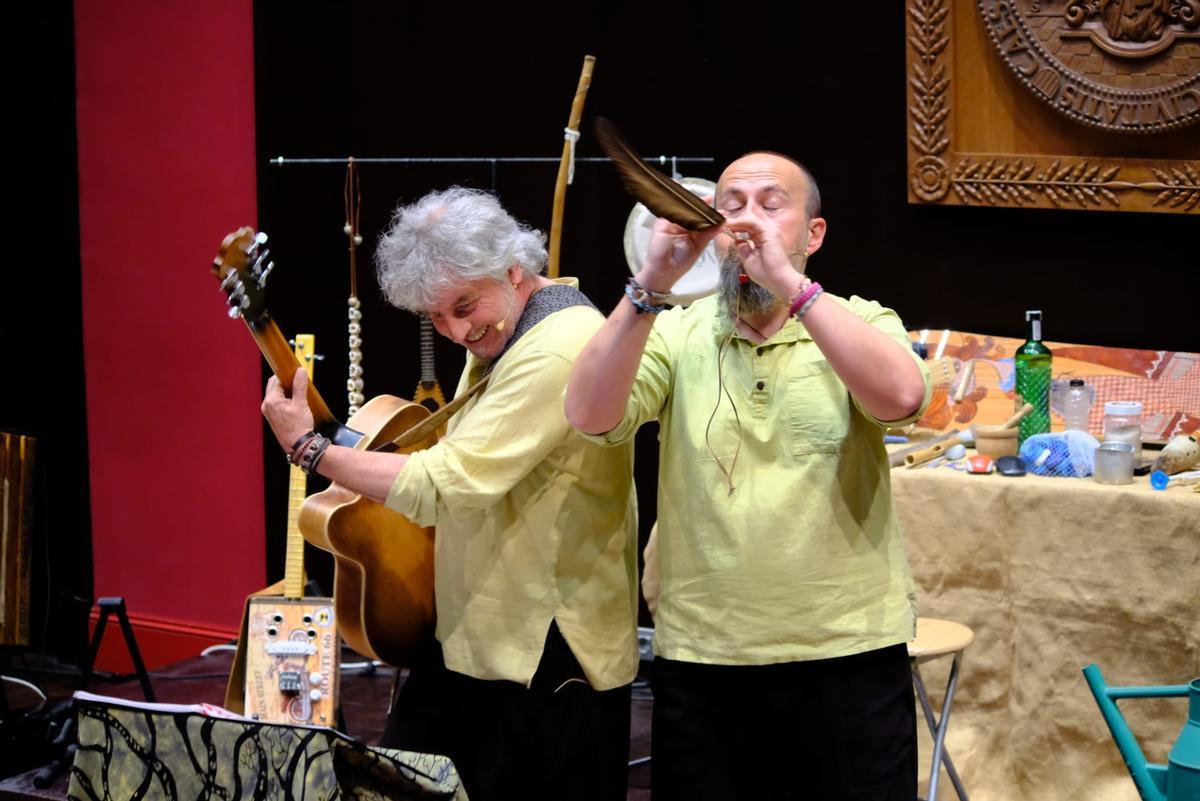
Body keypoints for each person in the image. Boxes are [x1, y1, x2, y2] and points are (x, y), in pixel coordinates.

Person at [564, 152, 932, 801]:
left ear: (812, 234)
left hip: (847, 655)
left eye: (770, 203)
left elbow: (900, 397)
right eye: (731, 204)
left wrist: (792, 285)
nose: (747, 220)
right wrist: (650, 280)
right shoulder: (676, 334)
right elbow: (589, 414)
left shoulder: (861, 319)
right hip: (706, 660)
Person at [261, 187, 639, 801]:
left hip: (545, 647)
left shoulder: (560, 345)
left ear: (512, 268)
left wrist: (310, 450)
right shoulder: (504, 329)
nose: (457, 330)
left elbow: (448, 483)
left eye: (464, 306)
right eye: (436, 317)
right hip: (477, 634)